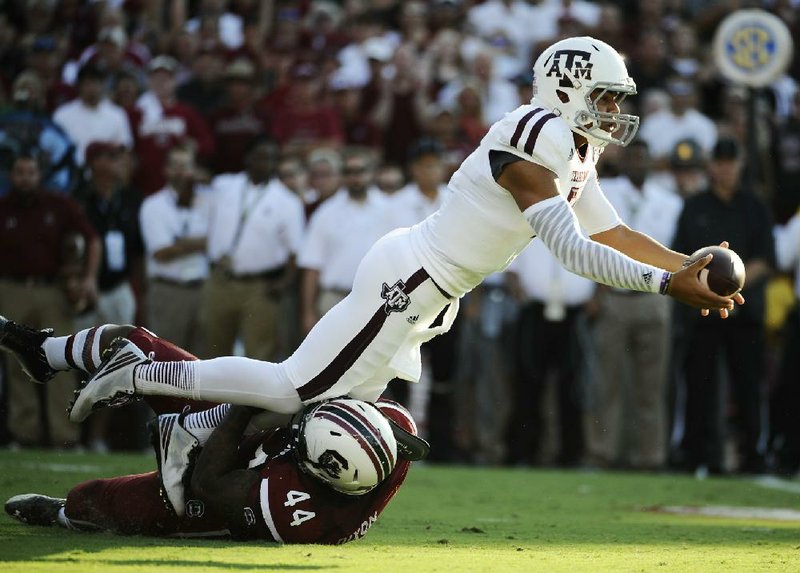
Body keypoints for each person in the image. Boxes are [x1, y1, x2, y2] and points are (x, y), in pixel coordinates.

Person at [64, 37, 739, 431]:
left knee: (317, 405)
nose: (616, 113)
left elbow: (610, 229)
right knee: (294, 389)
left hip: (432, 289)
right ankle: (142, 373)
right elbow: (568, 248)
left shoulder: (573, 145)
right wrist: (663, 283)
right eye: (608, 97)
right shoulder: (539, 135)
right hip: (413, 279)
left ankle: (193, 432)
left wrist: (688, 263)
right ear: (568, 90)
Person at [0, 320, 421, 544]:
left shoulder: (301, 515)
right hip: (250, 438)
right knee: (134, 344)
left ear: (313, 471)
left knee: (90, 500)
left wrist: (251, 399)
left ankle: (60, 514)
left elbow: (208, 482)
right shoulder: (392, 431)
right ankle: (45, 352)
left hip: (212, 491)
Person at [671, 137, 775, 475]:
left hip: (745, 311)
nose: (725, 168)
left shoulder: (754, 206)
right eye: (720, 161)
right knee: (699, 384)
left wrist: (733, 288)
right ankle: (698, 454)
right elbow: (683, 258)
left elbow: (765, 258)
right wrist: (708, 291)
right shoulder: (695, 206)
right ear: (711, 165)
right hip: (702, 311)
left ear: (739, 164)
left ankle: (752, 455)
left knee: (747, 385)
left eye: (731, 162)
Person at [0, 153, 100, 448]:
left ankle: (65, 436)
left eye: (31, 172)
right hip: (11, 288)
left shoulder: (58, 204)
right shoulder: (3, 208)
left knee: (61, 359)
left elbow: (92, 238)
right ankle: (24, 434)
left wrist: (89, 278)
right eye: (20, 172)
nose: (25, 178)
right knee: (13, 362)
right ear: (12, 175)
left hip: (52, 290)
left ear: (39, 174)